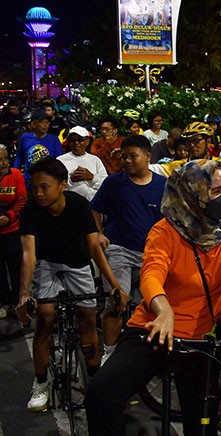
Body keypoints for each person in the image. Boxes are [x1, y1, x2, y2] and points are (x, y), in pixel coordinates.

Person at [85, 160, 221, 435]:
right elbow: (152, 273)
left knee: (201, 422)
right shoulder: (165, 231)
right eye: (215, 191)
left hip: (201, 339)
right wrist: (163, 310)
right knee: (101, 394)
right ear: (192, 194)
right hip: (156, 328)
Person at [16, 157, 127, 412]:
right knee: (45, 317)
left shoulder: (79, 206)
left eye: (45, 187)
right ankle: (41, 382)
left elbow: (94, 247)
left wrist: (113, 284)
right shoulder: (31, 211)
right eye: (35, 188)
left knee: (87, 317)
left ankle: (94, 380)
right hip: (46, 263)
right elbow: (29, 254)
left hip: (77, 263)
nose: (39, 193)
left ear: (62, 185)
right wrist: (24, 294)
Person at [92, 134, 167, 358]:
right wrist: (98, 232)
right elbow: (95, 208)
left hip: (152, 252)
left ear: (147, 157)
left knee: (159, 301)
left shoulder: (162, 185)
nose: (127, 161)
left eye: (132, 156)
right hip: (119, 250)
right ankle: (109, 352)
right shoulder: (114, 183)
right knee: (116, 302)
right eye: (124, 157)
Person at [150, 122, 221, 187]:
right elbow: (154, 168)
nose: (192, 145)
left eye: (196, 141)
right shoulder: (180, 166)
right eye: (189, 142)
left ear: (208, 141)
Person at [0, 145, 25, 319]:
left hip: (13, 229)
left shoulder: (15, 174)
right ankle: (4, 302)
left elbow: (22, 199)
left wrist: (9, 216)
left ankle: (18, 302)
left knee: (17, 268)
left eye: (5, 158)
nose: (3, 163)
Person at [57, 126, 107, 201]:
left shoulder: (95, 160)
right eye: (73, 140)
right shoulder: (60, 160)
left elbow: (106, 185)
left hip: (93, 203)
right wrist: (70, 180)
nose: (76, 143)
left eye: (80, 140)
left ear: (87, 142)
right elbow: (55, 186)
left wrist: (91, 177)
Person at [15, 108, 63, 183]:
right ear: (34, 124)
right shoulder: (25, 138)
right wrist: (15, 174)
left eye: (47, 122)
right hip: (29, 180)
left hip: (47, 179)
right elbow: (19, 157)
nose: (45, 125)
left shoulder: (54, 139)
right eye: (42, 122)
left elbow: (58, 160)